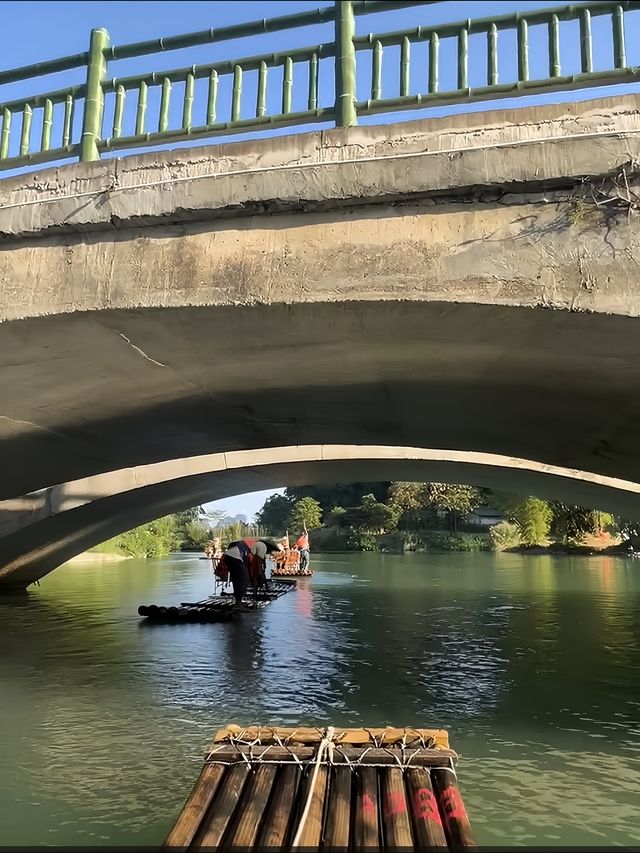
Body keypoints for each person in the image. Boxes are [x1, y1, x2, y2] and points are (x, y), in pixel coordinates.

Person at [221, 539, 252, 608]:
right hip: (233, 559)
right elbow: (246, 560)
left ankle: (238, 602)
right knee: (244, 579)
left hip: (229, 558)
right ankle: (238, 603)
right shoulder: (246, 548)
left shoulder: (242, 546)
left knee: (238, 580)